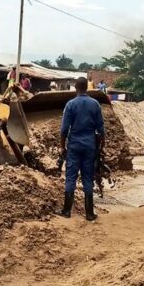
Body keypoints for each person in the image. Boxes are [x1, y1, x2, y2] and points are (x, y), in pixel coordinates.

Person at [57, 76, 105, 221]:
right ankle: (89, 213)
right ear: (87, 87)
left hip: (74, 146)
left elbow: (64, 129)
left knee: (71, 177)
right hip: (90, 146)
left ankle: (66, 211)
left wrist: (62, 147)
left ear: (76, 87)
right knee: (87, 178)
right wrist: (102, 148)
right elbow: (101, 130)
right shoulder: (95, 104)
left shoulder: (70, 105)